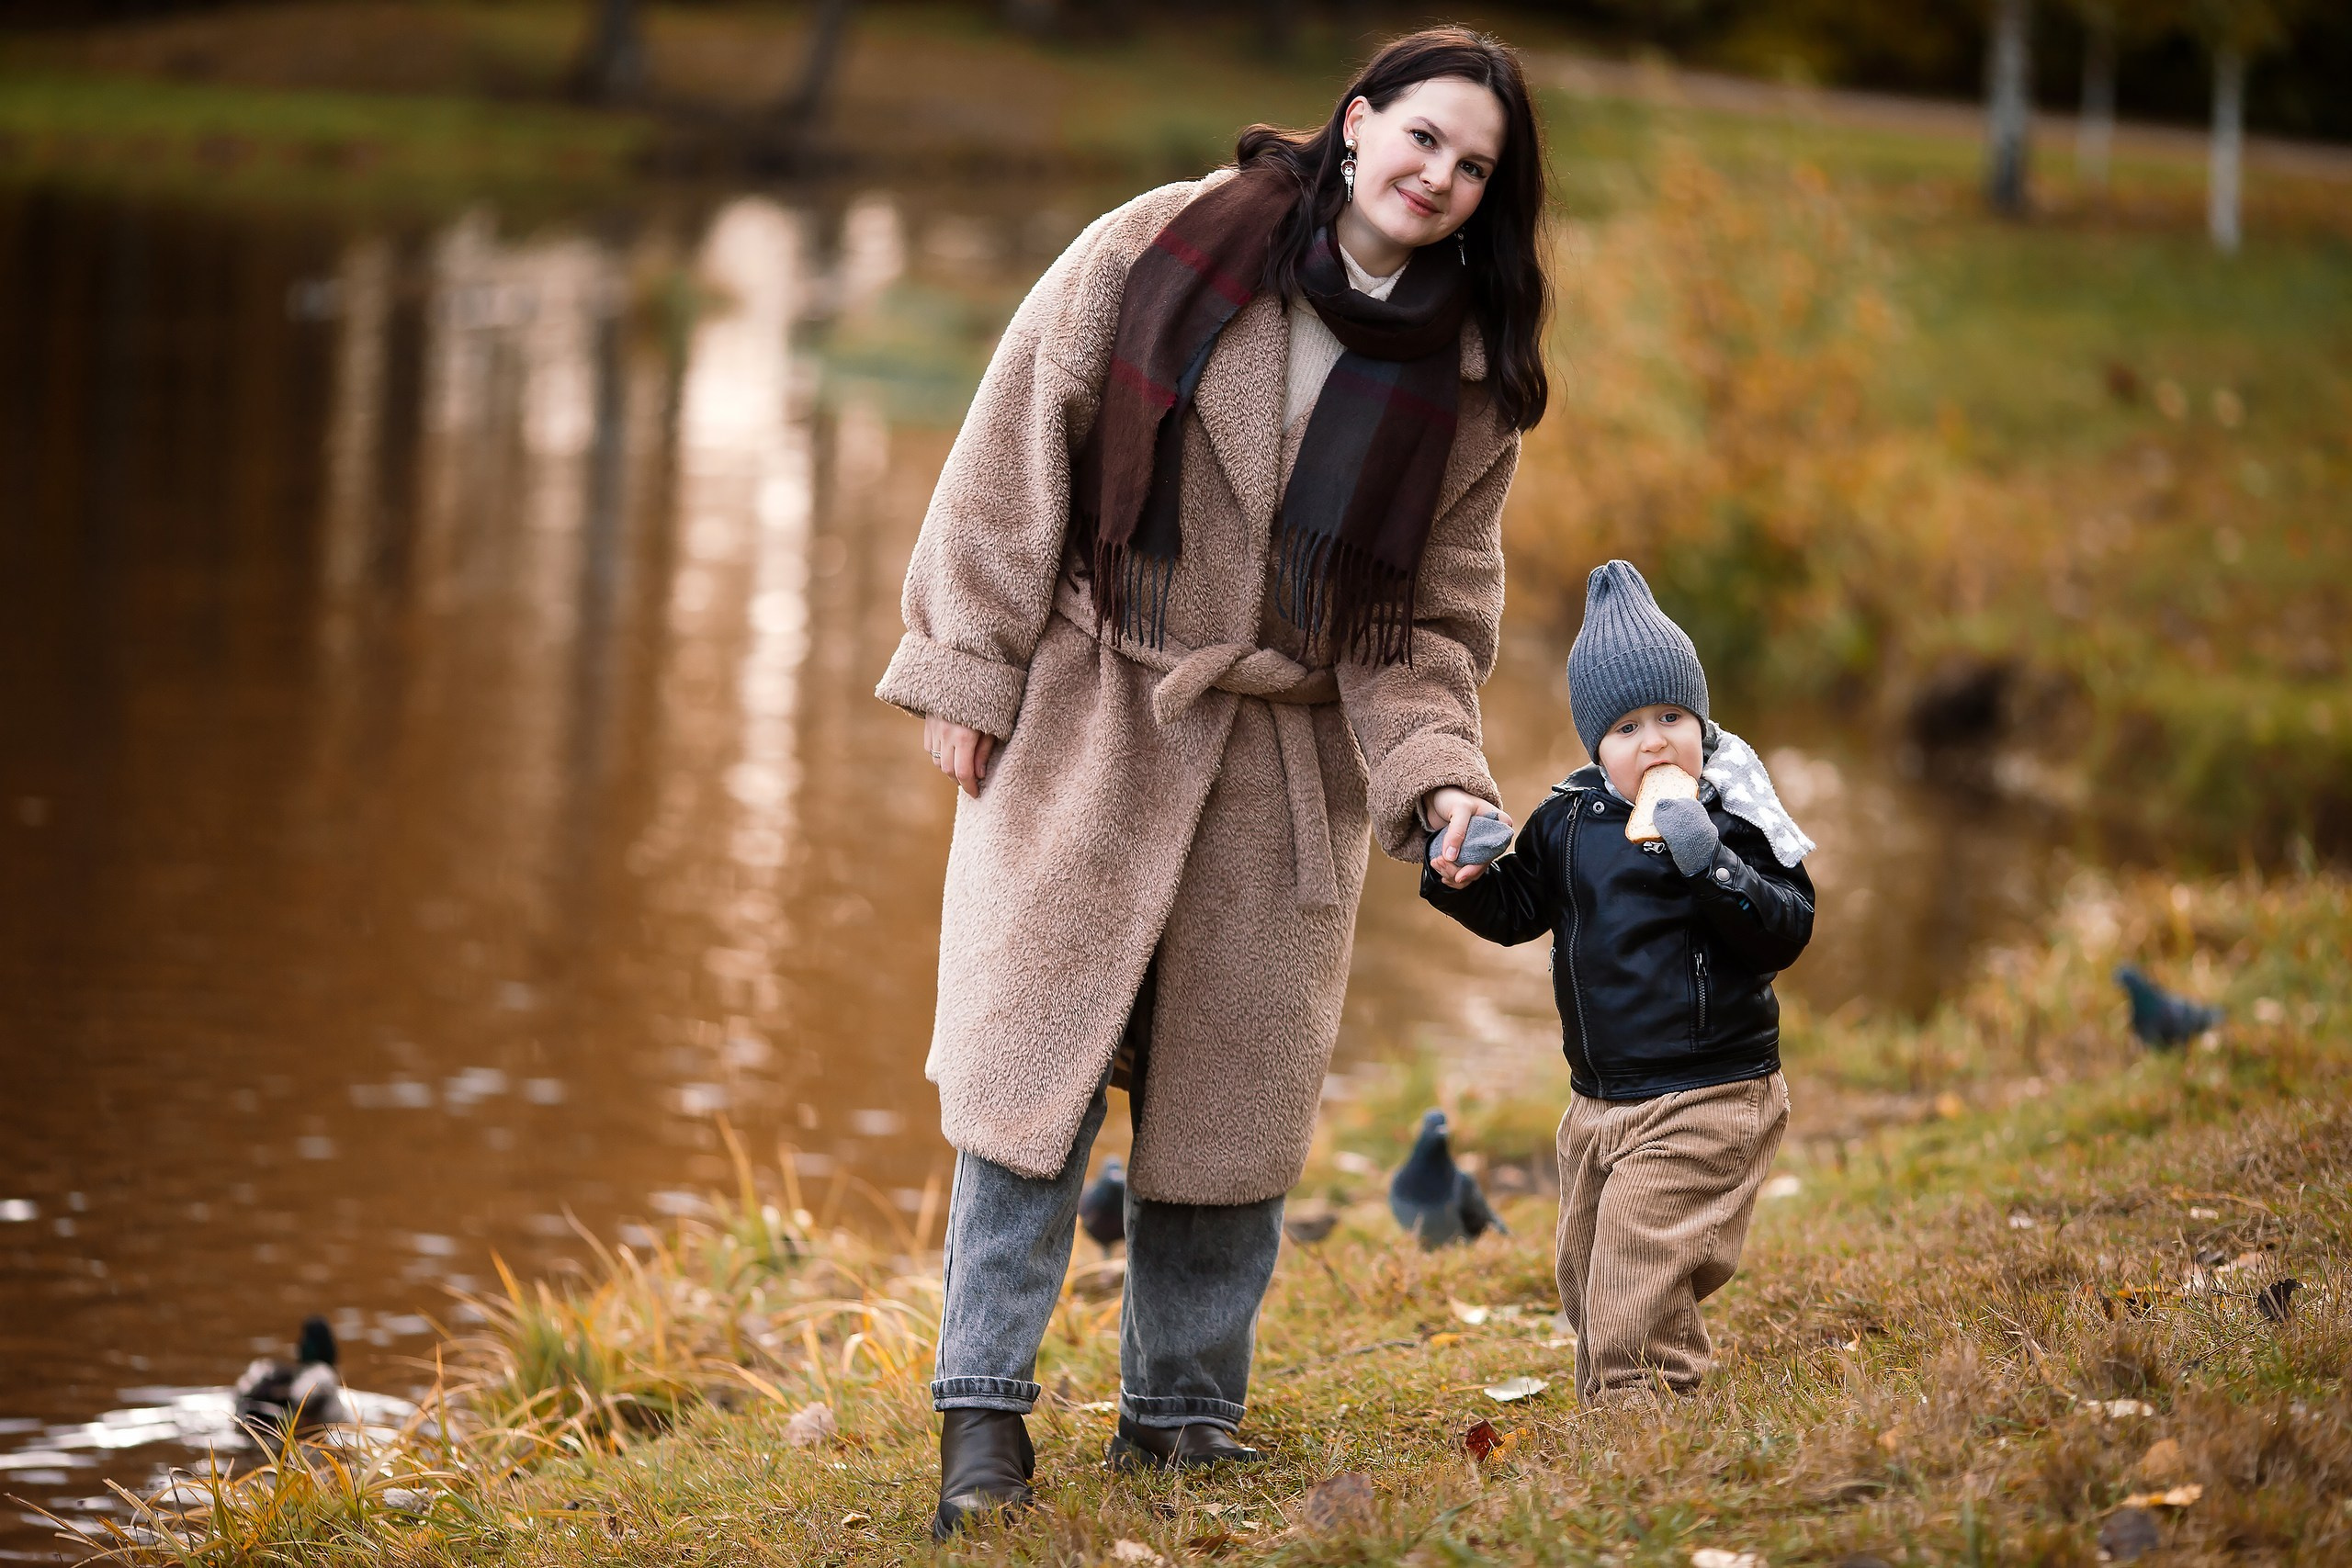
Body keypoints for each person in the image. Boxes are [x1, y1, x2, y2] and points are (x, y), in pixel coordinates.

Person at [874, 27, 1550, 1539]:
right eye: (1424, 137)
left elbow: (1422, 632)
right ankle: (980, 1419)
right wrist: (968, 671)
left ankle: (1183, 1422)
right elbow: (1013, 449)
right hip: (1095, 716)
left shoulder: (1467, 386)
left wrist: (1441, 785)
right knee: (1026, 1098)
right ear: (1358, 120)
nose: (1439, 175)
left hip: (1279, 765)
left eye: (1475, 165)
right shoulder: (1162, 247)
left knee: (1227, 1132)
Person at [1420, 560, 1817, 1407]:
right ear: (1595, 745)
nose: (1656, 741)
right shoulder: (1568, 819)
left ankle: (1651, 1419)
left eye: (1673, 717)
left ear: (1700, 721)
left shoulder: (1734, 811)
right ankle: (1613, 1399)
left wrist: (1705, 856)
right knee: (1588, 1269)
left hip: (1711, 1089)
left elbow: (1785, 927)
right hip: (1601, 1098)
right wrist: (1466, 878)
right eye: (1629, 726)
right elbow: (1521, 909)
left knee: (1641, 1254)